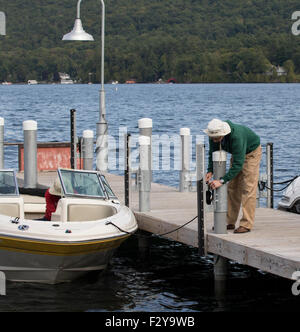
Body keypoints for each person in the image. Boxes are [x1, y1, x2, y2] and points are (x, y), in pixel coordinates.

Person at [204, 119, 262, 234]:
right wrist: (210, 170)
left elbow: (238, 164)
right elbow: (212, 153)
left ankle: (246, 224)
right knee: (232, 188)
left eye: (217, 138)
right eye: (212, 138)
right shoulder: (213, 135)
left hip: (251, 153)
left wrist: (222, 180)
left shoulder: (237, 137)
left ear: (224, 133)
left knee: (248, 189)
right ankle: (229, 221)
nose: (215, 140)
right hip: (238, 154)